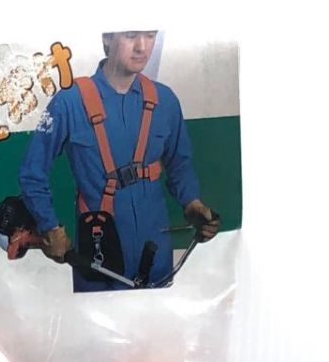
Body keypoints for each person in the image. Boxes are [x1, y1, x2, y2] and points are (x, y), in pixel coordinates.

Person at [17, 31, 219, 290]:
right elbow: (32, 174)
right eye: (131, 36)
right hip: (98, 255)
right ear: (107, 39)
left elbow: (180, 164)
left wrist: (192, 203)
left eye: (149, 36)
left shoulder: (165, 100)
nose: (142, 47)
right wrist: (50, 227)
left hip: (157, 251)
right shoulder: (68, 103)